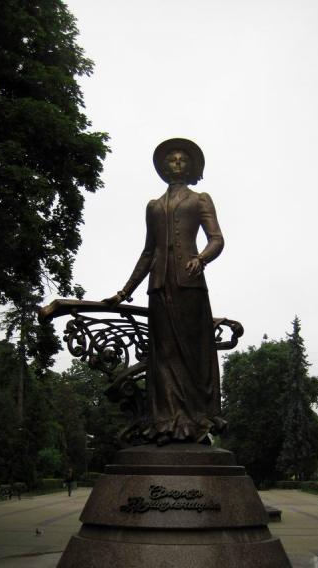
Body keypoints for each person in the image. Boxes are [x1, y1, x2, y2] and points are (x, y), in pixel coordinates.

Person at [105, 138, 225, 444]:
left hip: (189, 284)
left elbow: (217, 239)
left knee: (192, 354)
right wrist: (123, 292)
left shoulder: (200, 200)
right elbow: (148, 253)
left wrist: (201, 259)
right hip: (159, 285)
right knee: (164, 355)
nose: (176, 163)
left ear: (191, 166)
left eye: (182, 159)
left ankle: (196, 420)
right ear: (162, 166)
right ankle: (165, 422)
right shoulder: (154, 207)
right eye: (171, 160)